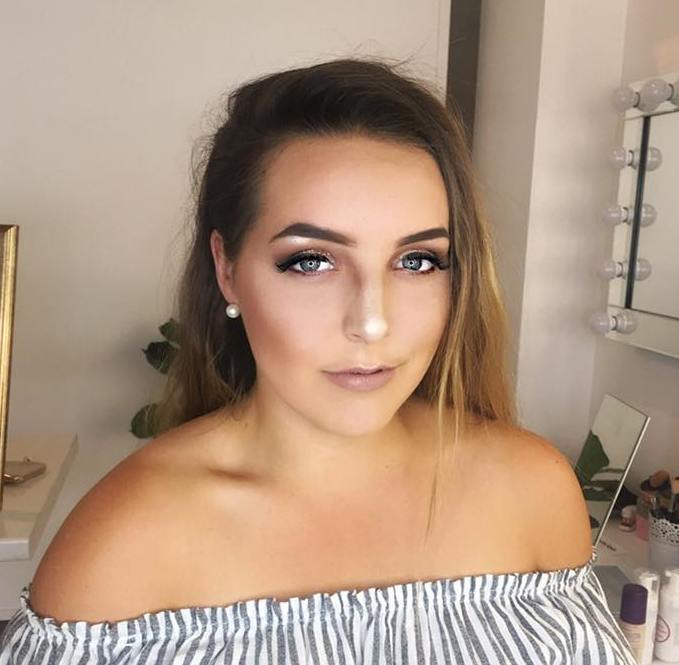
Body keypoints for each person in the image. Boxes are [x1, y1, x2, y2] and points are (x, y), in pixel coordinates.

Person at [0, 57, 636, 664]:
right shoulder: (124, 544)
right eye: (311, 261)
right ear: (226, 268)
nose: (372, 322)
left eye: (418, 261)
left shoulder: (532, 489)